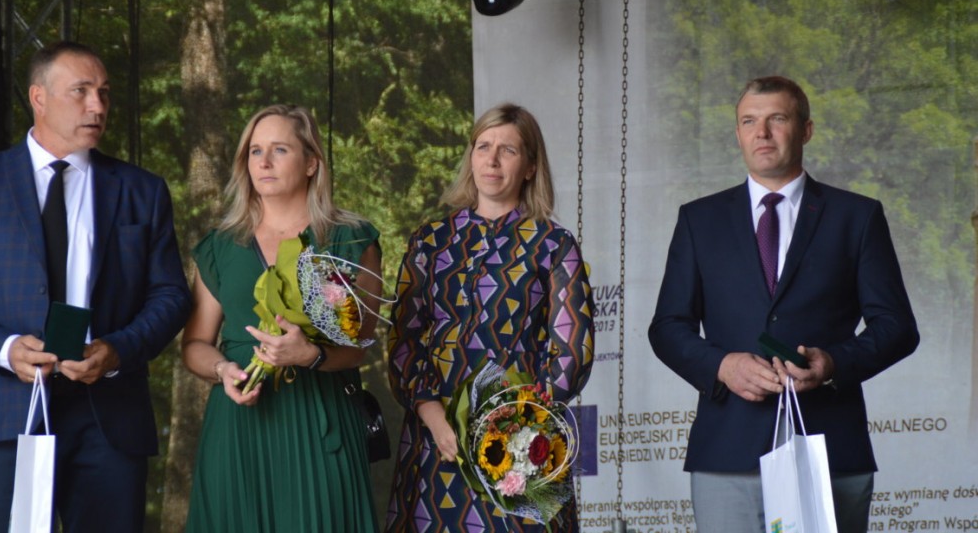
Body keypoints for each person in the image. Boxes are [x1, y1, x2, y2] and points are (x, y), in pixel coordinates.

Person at [648, 76, 920, 532]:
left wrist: (832, 364)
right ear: (738, 134)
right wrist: (722, 366)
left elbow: (897, 327)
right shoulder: (699, 220)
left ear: (806, 130)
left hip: (831, 450)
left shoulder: (856, 216)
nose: (762, 132)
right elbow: (667, 327)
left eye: (777, 119)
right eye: (749, 121)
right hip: (727, 451)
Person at [0, 41, 192, 532]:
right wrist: (4, 349)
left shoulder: (142, 189)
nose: (97, 106)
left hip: (108, 417)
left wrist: (117, 351)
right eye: (81, 91)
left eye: (104, 93)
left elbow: (170, 295)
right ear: (39, 97)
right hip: (3, 410)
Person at [385, 103, 596, 532]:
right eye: (483, 146)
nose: (492, 160)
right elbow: (403, 340)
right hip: (436, 443)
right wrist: (432, 415)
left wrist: (519, 425)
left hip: (519, 444)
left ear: (531, 167)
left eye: (508, 150)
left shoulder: (553, 244)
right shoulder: (430, 241)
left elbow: (573, 351)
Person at [181, 104, 382, 532]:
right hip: (239, 424)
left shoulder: (351, 240)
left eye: (280, 149)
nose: (264, 162)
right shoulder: (220, 246)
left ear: (311, 163)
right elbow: (195, 345)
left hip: (321, 420)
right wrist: (223, 370)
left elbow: (360, 347)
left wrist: (311, 355)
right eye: (255, 151)